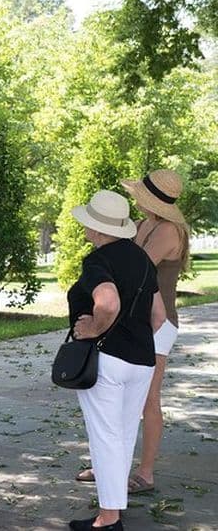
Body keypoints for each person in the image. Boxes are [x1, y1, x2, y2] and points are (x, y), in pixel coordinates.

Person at [74, 170, 190, 495]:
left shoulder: (168, 230)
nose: (136, 199)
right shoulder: (141, 226)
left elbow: (136, 267)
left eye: (141, 194)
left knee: (147, 399)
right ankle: (111, 466)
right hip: (134, 319)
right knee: (118, 399)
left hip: (159, 321)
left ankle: (146, 473)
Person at [66, 190, 166, 531]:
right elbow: (159, 316)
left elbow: (106, 303)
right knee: (121, 435)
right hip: (142, 359)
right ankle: (111, 512)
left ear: (97, 229)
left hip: (107, 359)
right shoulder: (141, 260)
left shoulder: (98, 261)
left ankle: (109, 520)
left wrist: (93, 328)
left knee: (106, 437)